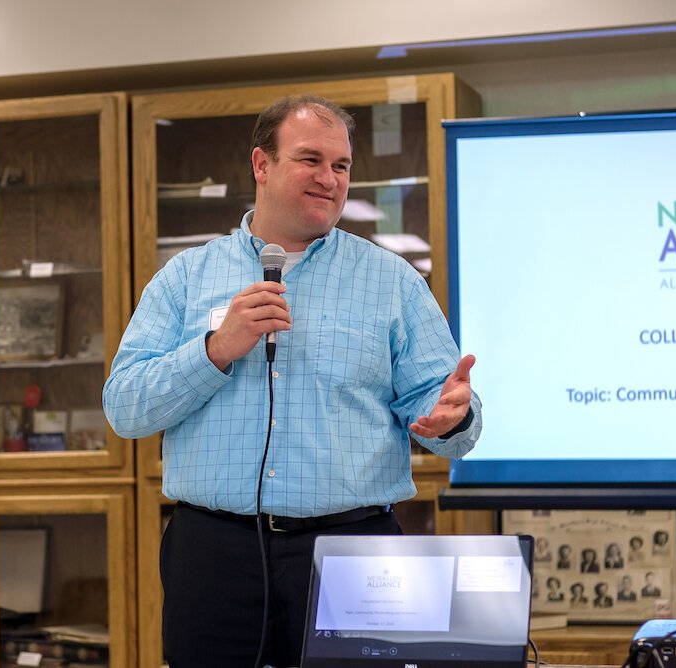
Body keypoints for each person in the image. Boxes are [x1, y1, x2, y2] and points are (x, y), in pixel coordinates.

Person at [102, 95, 482, 668]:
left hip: (355, 554)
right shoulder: (184, 278)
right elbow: (125, 409)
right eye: (310, 159)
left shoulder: (392, 282)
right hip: (213, 554)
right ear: (262, 165)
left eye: (341, 166)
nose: (329, 179)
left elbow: (443, 411)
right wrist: (215, 350)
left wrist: (455, 416)